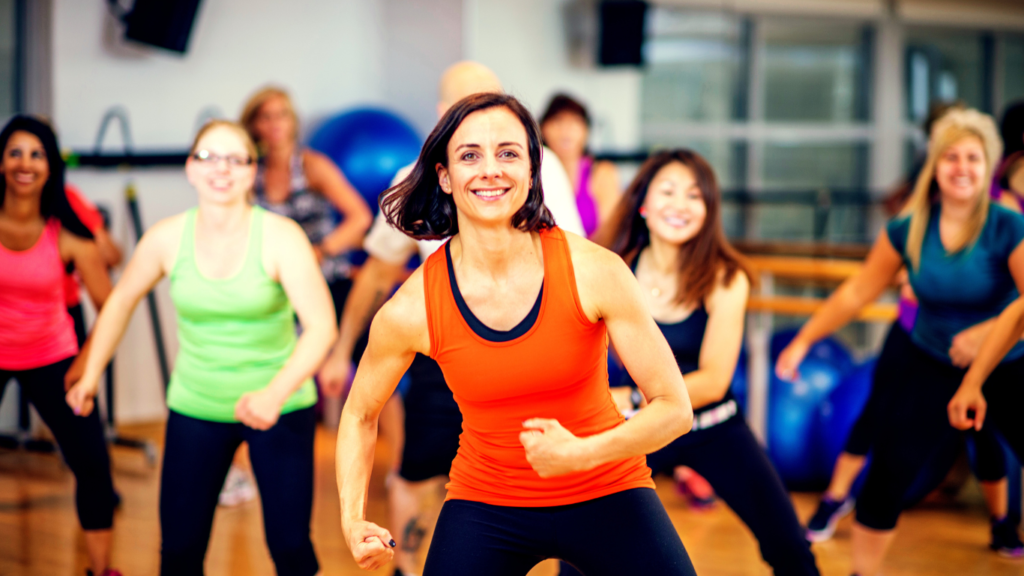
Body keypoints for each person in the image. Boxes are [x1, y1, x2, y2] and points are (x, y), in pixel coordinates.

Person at [336, 93, 696, 576]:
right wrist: (351, 516)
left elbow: (675, 408)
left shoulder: (594, 271)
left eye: (508, 153)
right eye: (470, 156)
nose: (490, 170)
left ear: (532, 170)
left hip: (607, 486)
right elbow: (360, 413)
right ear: (444, 176)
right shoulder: (414, 307)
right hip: (487, 502)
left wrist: (582, 453)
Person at [319, 61, 584, 576]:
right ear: (444, 117)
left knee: (557, 483)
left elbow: (577, 264)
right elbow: (377, 273)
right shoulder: (416, 176)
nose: (490, 137)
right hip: (447, 353)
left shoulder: (539, 162)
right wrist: (339, 347)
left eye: (495, 101)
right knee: (418, 473)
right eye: (470, 106)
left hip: (538, 355)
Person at [67, 120, 337, 575]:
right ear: (190, 169)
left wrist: (274, 394)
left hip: (280, 404)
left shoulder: (281, 236)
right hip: (197, 403)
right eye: (208, 157)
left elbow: (321, 327)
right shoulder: (167, 238)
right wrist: (91, 371)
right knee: (179, 550)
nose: (221, 170)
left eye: (236, 159)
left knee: (290, 547)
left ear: (252, 171)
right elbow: (120, 302)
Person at [775, 108, 1024, 576]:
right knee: (888, 472)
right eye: (951, 156)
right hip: (931, 359)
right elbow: (856, 292)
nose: (962, 167)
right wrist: (803, 340)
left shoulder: (1008, 226)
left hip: (1009, 363)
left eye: (973, 157)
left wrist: (985, 336)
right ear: (934, 164)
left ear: (988, 164)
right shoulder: (908, 229)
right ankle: (861, 573)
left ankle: (1002, 524)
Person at [576, 149, 818, 575]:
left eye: (694, 195)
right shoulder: (611, 270)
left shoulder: (726, 277)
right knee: (581, 552)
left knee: (790, 547)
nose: (681, 205)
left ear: (708, 210)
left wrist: (627, 396)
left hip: (708, 424)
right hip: (635, 431)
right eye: (668, 191)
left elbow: (713, 380)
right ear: (644, 205)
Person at [0, 115, 120, 576]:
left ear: (50, 166)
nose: (25, 163)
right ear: (1, 162)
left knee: (92, 463)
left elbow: (111, 307)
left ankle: (101, 568)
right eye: (15, 152)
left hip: (52, 355)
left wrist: (86, 365)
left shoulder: (69, 234)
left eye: (36, 154)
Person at [241, 86, 373, 323]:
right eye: (266, 117)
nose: (275, 123)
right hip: (279, 284)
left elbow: (360, 217)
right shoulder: (252, 173)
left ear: (293, 121)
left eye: (282, 115)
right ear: (254, 125)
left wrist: (319, 251)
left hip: (327, 279)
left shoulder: (312, 165)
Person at [539, 93, 620, 237]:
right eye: (558, 121)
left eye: (574, 122)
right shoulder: (534, 172)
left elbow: (612, 233)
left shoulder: (601, 173)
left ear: (586, 130)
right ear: (543, 128)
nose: (566, 131)